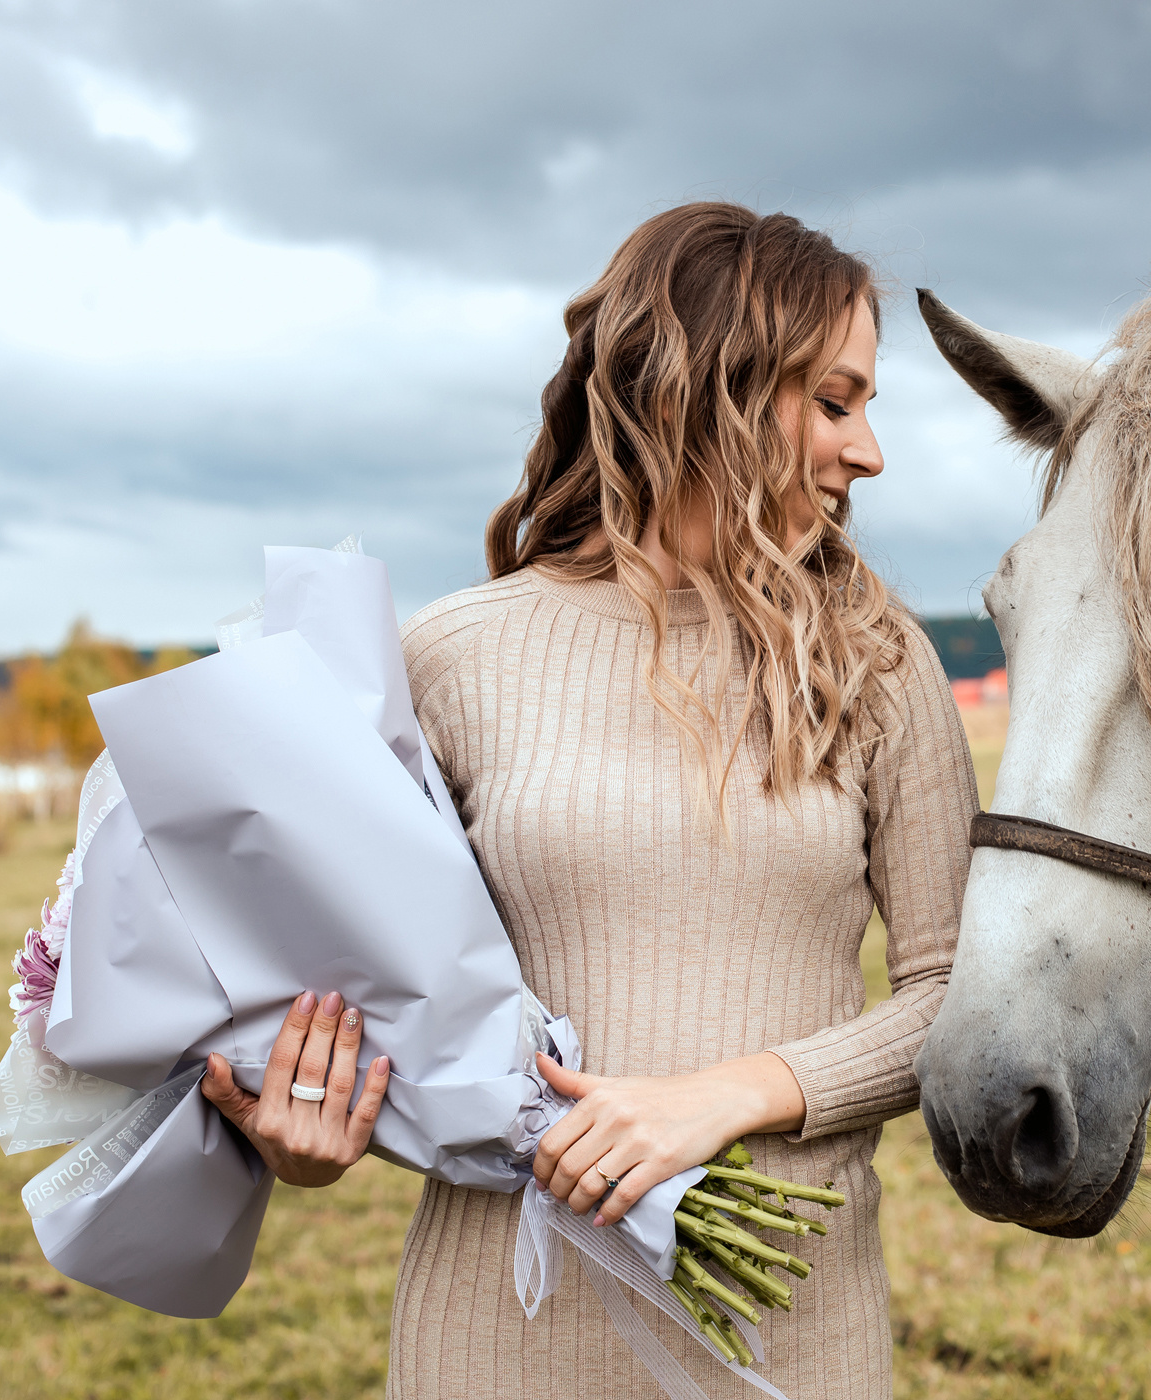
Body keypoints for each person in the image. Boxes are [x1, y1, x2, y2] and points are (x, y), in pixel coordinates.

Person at [199, 201, 978, 1399]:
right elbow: (358, 1010)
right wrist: (306, 1131)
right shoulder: (449, 658)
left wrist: (721, 1098)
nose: (869, 450)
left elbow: (955, 996)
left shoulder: (877, 659)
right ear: (702, 384)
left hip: (790, 1344)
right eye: (835, 400)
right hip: (498, 1341)